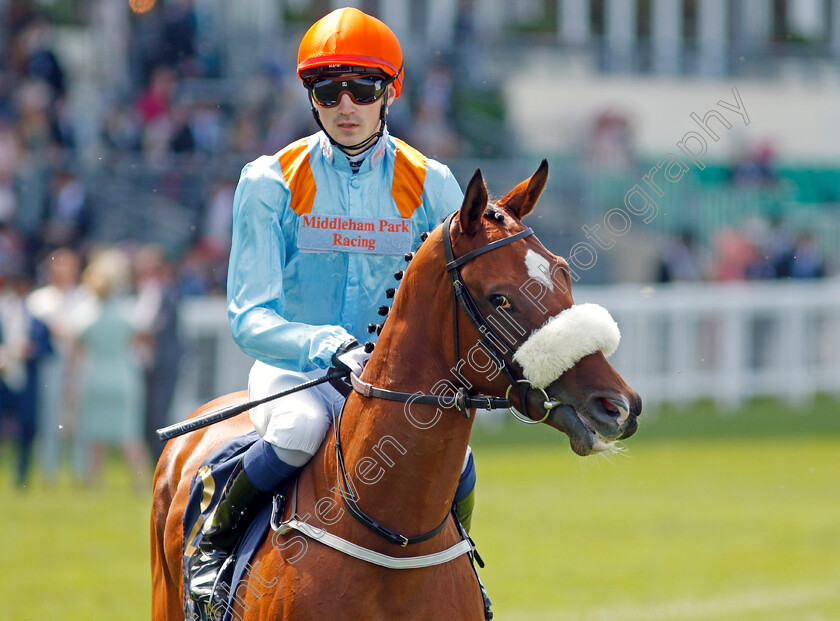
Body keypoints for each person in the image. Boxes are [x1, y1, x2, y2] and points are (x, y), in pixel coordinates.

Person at [191, 5, 481, 602]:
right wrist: (327, 346)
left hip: (391, 379)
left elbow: (455, 299)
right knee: (300, 430)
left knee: (460, 458)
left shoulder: (433, 184)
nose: (345, 106)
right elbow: (250, 316)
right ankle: (214, 549)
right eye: (328, 91)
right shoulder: (270, 179)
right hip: (298, 372)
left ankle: (458, 568)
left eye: (362, 89)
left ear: (389, 92)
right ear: (311, 97)